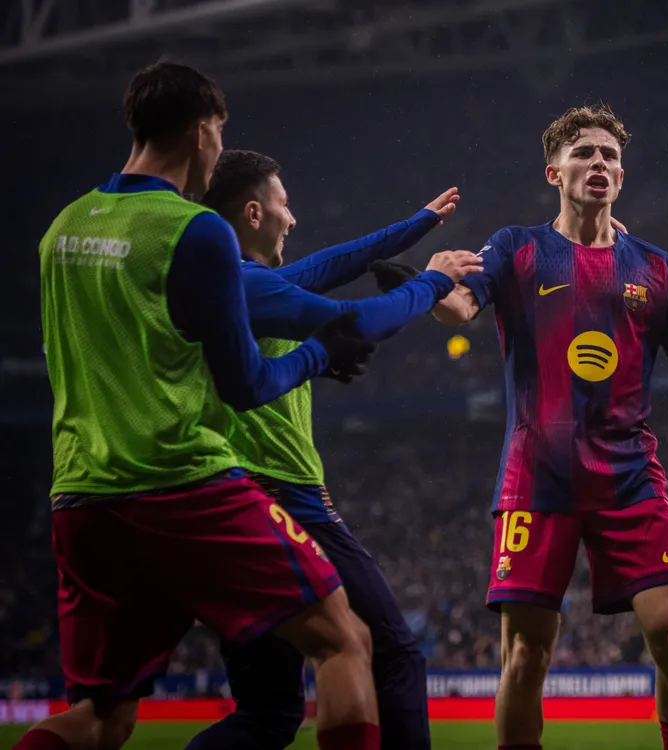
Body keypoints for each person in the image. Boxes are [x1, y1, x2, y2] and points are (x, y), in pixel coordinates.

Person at [16, 62, 381, 750]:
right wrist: (318, 353)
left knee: (104, 717)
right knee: (343, 641)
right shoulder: (196, 229)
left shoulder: (60, 229)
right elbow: (246, 386)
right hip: (179, 482)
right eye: (219, 131)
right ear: (202, 130)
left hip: (78, 499)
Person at [374, 104, 668, 750]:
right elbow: (463, 306)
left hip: (630, 478)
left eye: (608, 156)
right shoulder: (518, 247)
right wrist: (431, 290)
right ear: (554, 172)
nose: (597, 163)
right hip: (536, 478)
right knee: (525, 656)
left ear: (622, 177)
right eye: (583, 154)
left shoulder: (658, 268)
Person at [184, 148, 481, 750]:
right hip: (286, 497)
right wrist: (432, 280)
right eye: (284, 204)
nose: (292, 219)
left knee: (268, 711)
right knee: (394, 651)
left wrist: (415, 224)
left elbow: (335, 261)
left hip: (232, 501)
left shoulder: (233, 284)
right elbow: (355, 322)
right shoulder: (248, 286)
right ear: (253, 213)